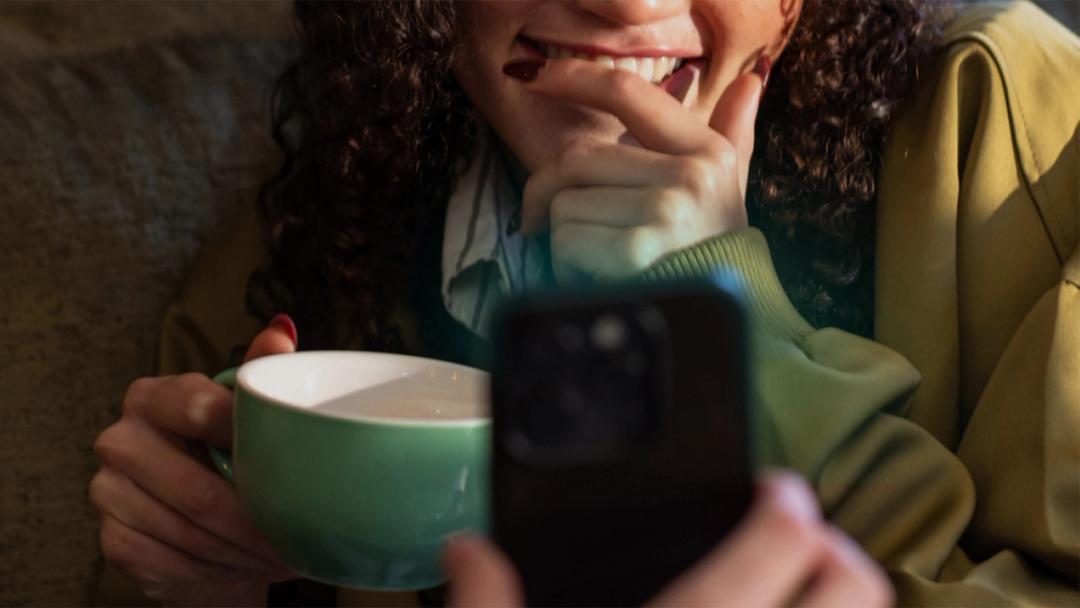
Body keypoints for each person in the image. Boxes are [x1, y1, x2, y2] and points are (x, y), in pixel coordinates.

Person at [90, 0, 1079, 606]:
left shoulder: (1017, 124)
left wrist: (733, 321)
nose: (620, 3)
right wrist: (210, 577)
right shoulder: (324, 221)